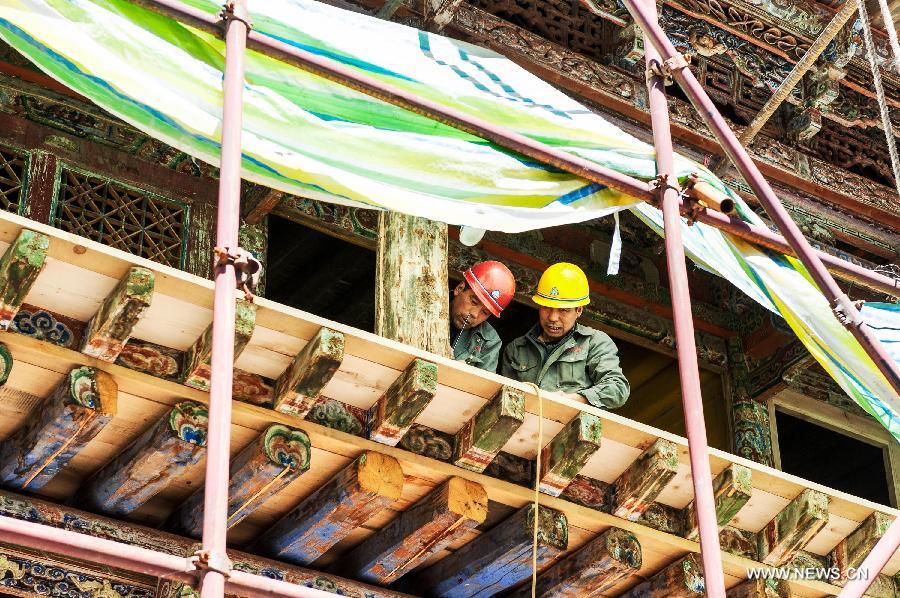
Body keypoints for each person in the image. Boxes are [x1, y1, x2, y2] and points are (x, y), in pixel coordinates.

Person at [500, 262, 629, 409]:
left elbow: (618, 388)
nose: (553, 317)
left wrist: (576, 399)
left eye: (563, 310)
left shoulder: (594, 342)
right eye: (547, 307)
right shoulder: (517, 349)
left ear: (579, 310)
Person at [450, 261, 516, 373]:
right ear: (459, 288)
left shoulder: (490, 340)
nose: (475, 314)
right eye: (474, 301)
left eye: (485, 312)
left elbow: (483, 386)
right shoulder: (427, 304)